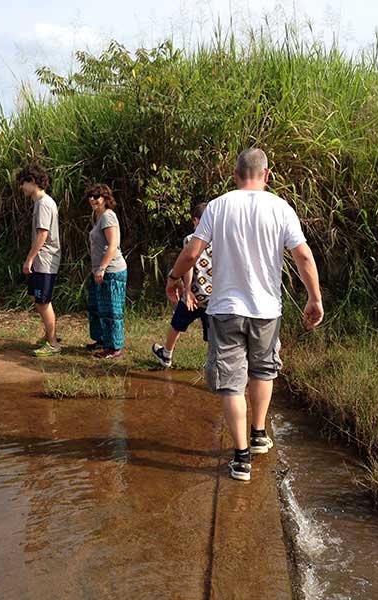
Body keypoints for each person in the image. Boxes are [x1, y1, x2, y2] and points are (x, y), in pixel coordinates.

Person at [166, 148, 323, 481]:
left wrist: (174, 279)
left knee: (231, 383)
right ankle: (258, 433)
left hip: (225, 310)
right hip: (267, 310)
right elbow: (304, 257)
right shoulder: (281, 208)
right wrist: (314, 299)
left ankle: (240, 459)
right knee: (264, 370)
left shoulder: (218, 206)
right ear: (267, 175)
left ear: (235, 175)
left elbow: (192, 252)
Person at [152, 202, 212, 368]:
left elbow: (188, 265)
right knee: (214, 335)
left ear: (195, 221)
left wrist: (187, 290)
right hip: (215, 298)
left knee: (176, 324)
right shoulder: (221, 241)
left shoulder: (191, 239)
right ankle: (216, 364)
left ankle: (166, 354)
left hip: (193, 295)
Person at [17, 163, 62, 357]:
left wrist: (29, 259)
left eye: (23, 183)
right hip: (42, 259)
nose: (21, 188)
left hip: (45, 259)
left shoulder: (44, 203)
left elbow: (43, 235)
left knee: (43, 302)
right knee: (37, 298)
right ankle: (50, 335)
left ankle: (53, 344)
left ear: (33, 181)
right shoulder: (40, 203)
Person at [86, 184, 127, 359]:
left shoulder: (108, 217)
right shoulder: (99, 217)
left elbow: (113, 245)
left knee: (111, 310)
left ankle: (114, 347)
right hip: (100, 270)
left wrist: (102, 268)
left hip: (111, 270)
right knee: (97, 307)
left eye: (97, 196)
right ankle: (103, 340)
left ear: (105, 198)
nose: (93, 199)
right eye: (91, 196)